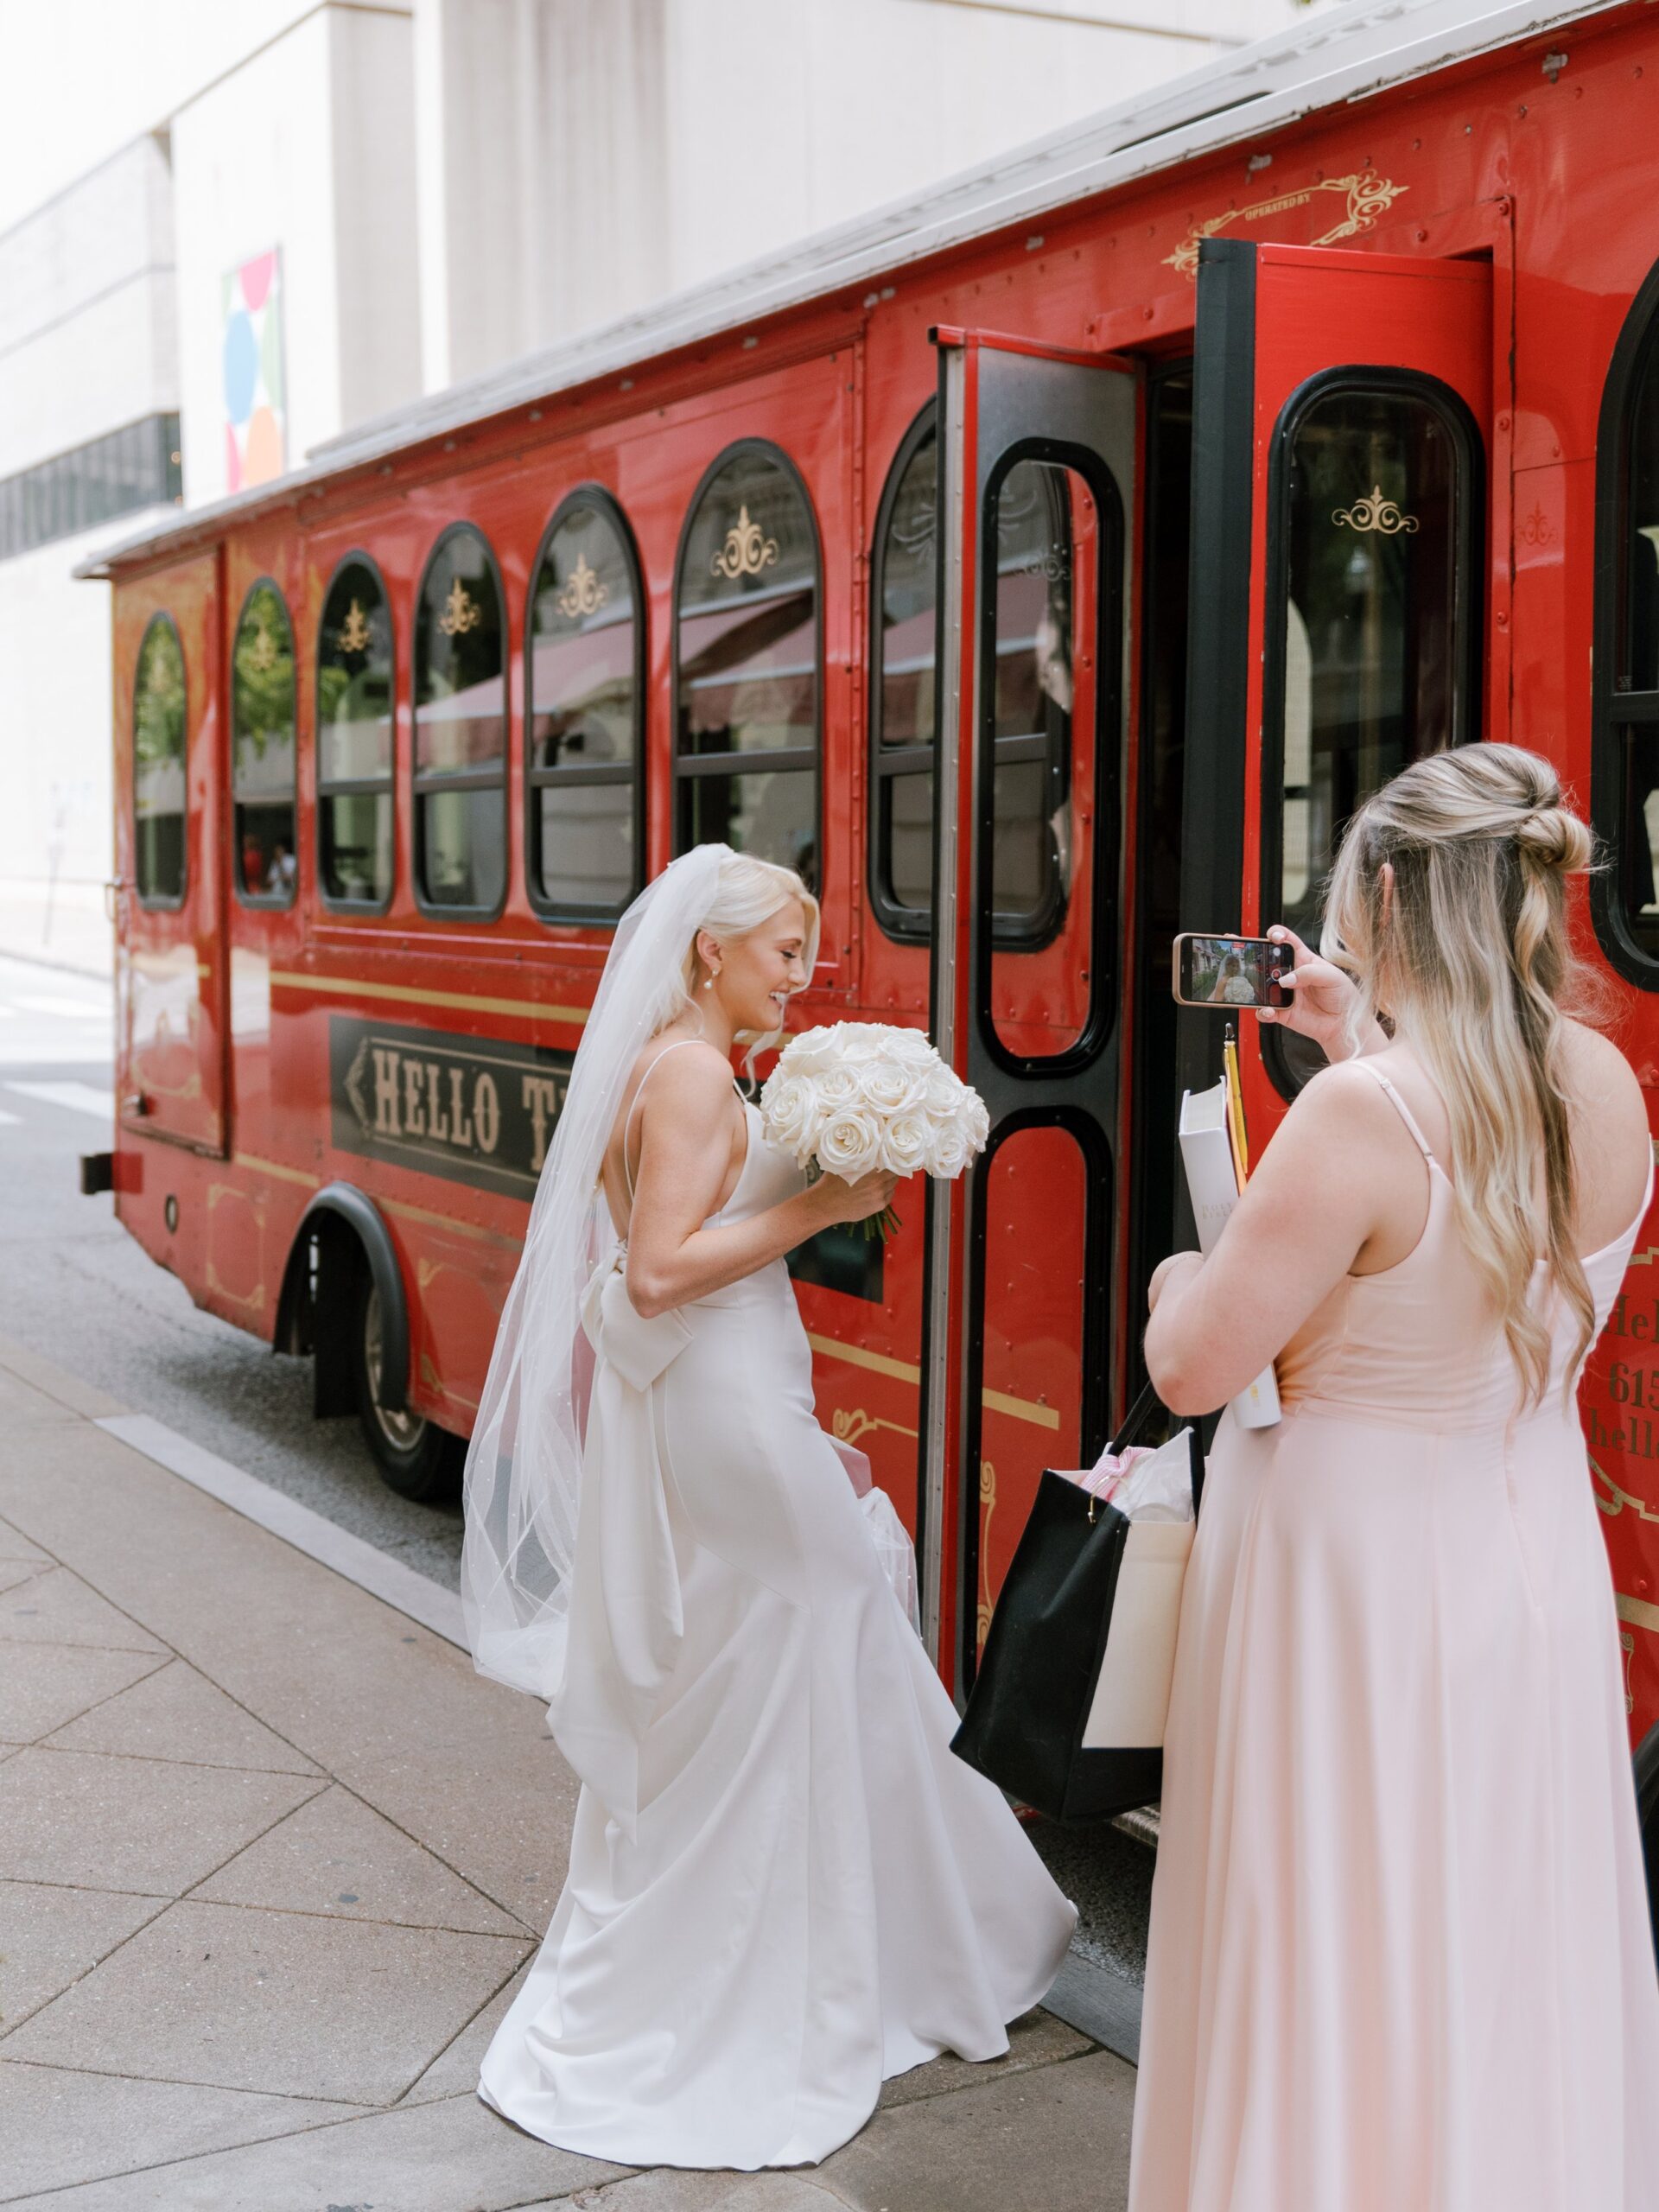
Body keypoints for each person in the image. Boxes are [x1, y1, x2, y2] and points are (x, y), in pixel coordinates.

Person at [461, 842, 1074, 2171]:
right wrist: (824, 1206)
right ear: (710, 955)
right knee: (825, 1620)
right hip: (727, 1401)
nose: (806, 973)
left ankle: (853, 1940)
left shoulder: (677, 1069)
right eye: (786, 952)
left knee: (774, 1647)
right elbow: (668, 1268)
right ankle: (850, 1959)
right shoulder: (687, 1075)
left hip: (731, 1402)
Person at [1131, 746, 1659, 2211]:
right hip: (1531, 1568)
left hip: (1344, 1587)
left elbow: (1191, 1365)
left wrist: (1184, 1265)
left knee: (1334, 1934)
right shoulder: (1606, 1084)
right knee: (1496, 1937)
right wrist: (1357, 1029)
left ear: (1380, 892)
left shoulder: (1357, 1118)